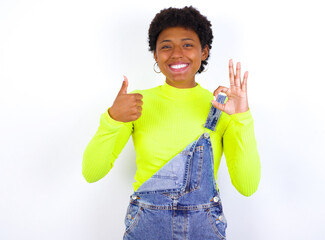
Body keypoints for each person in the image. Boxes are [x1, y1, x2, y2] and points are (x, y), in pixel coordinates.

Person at [82, 6, 261, 240]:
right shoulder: (136, 104)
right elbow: (91, 172)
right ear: (155, 55)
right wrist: (113, 119)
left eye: (187, 44)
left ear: (204, 51)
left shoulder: (221, 107)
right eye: (166, 46)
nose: (176, 53)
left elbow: (247, 187)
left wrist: (242, 118)